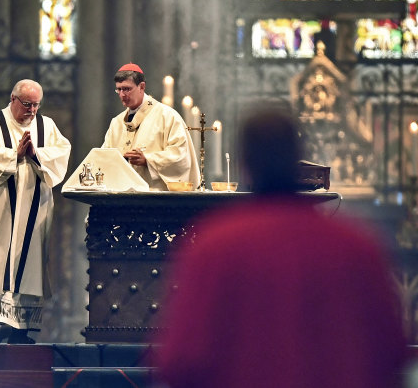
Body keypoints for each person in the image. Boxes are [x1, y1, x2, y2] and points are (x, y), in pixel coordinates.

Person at [155, 104, 408, 388]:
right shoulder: (356, 247)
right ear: (298, 160)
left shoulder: (213, 248)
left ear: (246, 165)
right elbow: (390, 356)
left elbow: (179, 362)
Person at [0, 79, 71, 344]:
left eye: (36, 105)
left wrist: (36, 155)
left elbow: (62, 153)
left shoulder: (46, 126)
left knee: (29, 261)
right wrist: (14, 155)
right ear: (13, 99)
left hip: (34, 209)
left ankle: (22, 331)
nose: (32, 111)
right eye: (27, 104)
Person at [101, 63, 200, 191]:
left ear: (141, 87)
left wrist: (148, 160)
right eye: (118, 89)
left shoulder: (167, 116)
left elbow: (180, 156)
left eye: (126, 89)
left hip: (156, 199)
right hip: (122, 196)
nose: (122, 94)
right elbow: (104, 157)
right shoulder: (116, 123)